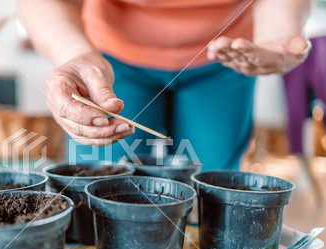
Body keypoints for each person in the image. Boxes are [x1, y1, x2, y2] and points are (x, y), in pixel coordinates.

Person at [18, 0, 312, 170]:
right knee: (103, 181)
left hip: (227, 57)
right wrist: (74, 55)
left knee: (211, 185)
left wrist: (279, 31)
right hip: (110, 60)